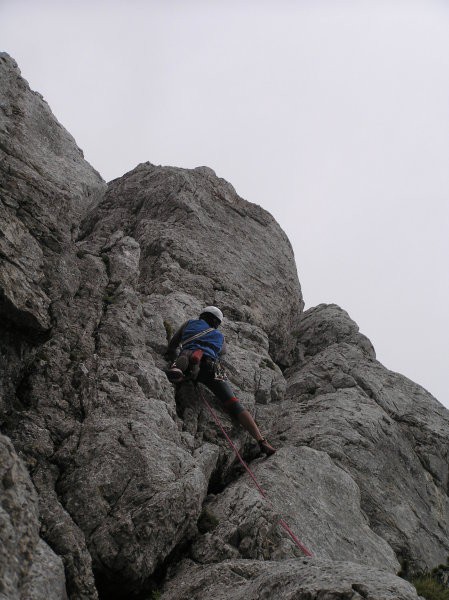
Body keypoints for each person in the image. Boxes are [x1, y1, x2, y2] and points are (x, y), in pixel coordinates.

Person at [164, 306, 276, 456]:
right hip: (214, 367)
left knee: (186, 353)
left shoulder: (189, 323)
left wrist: (171, 355)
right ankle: (261, 440)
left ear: (202, 316)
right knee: (234, 403)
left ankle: (180, 367)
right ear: (216, 323)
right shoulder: (220, 337)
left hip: (190, 355)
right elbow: (221, 353)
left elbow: (173, 344)